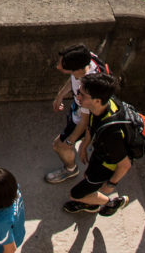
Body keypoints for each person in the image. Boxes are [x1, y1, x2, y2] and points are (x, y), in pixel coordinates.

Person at [63, 72, 132, 216]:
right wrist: (83, 146)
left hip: (106, 165)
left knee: (74, 194)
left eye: (82, 95)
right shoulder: (105, 105)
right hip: (100, 153)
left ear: (97, 100)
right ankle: (91, 204)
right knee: (87, 177)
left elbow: (125, 164)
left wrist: (111, 184)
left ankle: (111, 202)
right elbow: (91, 126)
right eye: (78, 92)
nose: (78, 97)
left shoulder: (111, 133)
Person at [45, 44, 109, 184]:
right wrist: (60, 95)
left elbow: (84, 121)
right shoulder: (88, 59)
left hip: (82, 118)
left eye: (63, 65)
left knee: (58, 146)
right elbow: (74, 77)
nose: (58, 67)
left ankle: (70, 169)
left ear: (79, 69)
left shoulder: (87, 90)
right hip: (79, 110)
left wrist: (69, 142)